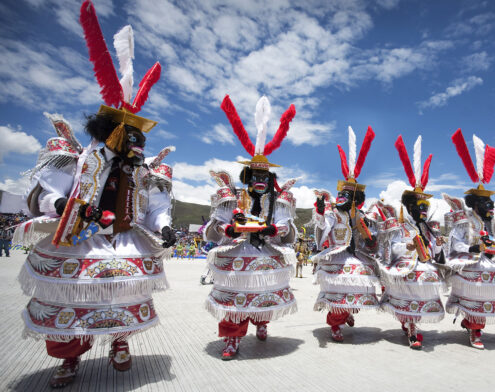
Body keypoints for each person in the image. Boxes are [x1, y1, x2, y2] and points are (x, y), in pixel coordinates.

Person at [13, 2, 176, 387]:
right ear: (112, 132)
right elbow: (42, 195)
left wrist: (165, 226)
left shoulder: (143, 172)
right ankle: (69, 358)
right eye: (133, 137)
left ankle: (119, 343)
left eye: (141, 138)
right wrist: (67, 207)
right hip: (77, 240)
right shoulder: (76, 158)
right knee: (73, 300)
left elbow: (154, 209)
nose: (139, 145)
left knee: (120, 295)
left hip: (123, 241)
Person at [203, 95, 298, 359]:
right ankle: (232, 338)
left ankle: (262, 321)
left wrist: (273, 231)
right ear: (247, 177)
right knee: (235, 298)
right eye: (255, 176)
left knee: (262, 292)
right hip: (237, 253)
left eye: (264, 176)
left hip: (266, 253)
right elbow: (215, 226)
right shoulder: (232, 198)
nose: (259, 180)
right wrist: (228, 231)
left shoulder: (278, 202)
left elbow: (286, 227)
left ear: (270, 179)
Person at [442, 131, 495, 349]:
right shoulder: (464, 222)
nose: (491, 207)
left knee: (491, 289)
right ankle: (475, 330)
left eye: (491, 203)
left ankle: (473, 324)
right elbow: (454, 243)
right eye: (486, 203)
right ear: (474, 204)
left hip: (492, 263)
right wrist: (474, 247)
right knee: (476, 292)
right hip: (472, 263)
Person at [377, 135, 446, 350]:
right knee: (410, 293)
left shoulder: (428, 227)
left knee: (423, 290)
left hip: (425, 265)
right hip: (407, 266)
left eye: (426, 207)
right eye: (420, 208)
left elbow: (433, 250)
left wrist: (440, 243)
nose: (424, 211)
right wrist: (407, 247)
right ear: (411, 208)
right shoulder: (401, 225)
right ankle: (412, 328)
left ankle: (410, 324)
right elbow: (392, 247)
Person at [312, 126, 380, 342]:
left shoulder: (362, 215)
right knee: (340, 285)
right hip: (337, 255)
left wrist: (371, 240)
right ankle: (335, 323)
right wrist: (321, 212)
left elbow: (371, 236)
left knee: (359, 282)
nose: (343, 198)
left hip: (356, 254)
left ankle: (348, 311)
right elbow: (323, 225)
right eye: (342, 194)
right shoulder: (333, 213)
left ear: (356, 199)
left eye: (348, 195)